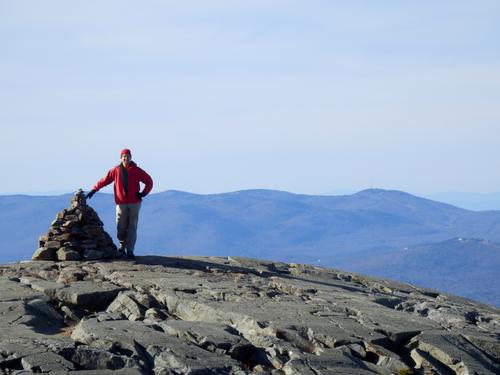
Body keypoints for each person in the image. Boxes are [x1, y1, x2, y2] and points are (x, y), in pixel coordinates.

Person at [85, 148, 153, 259]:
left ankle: (130, 250)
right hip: (120, 203)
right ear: (121, 158)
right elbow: (104, 180)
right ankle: (122, 245)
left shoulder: (137, 170)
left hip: (134, 203)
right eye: (124, 156)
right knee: (121, 226)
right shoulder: (115, 170)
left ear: (131, 158)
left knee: (132, 226)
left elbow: (149, 181)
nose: (126, 158)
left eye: (128, 156)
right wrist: (94, 190)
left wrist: (143, 194)